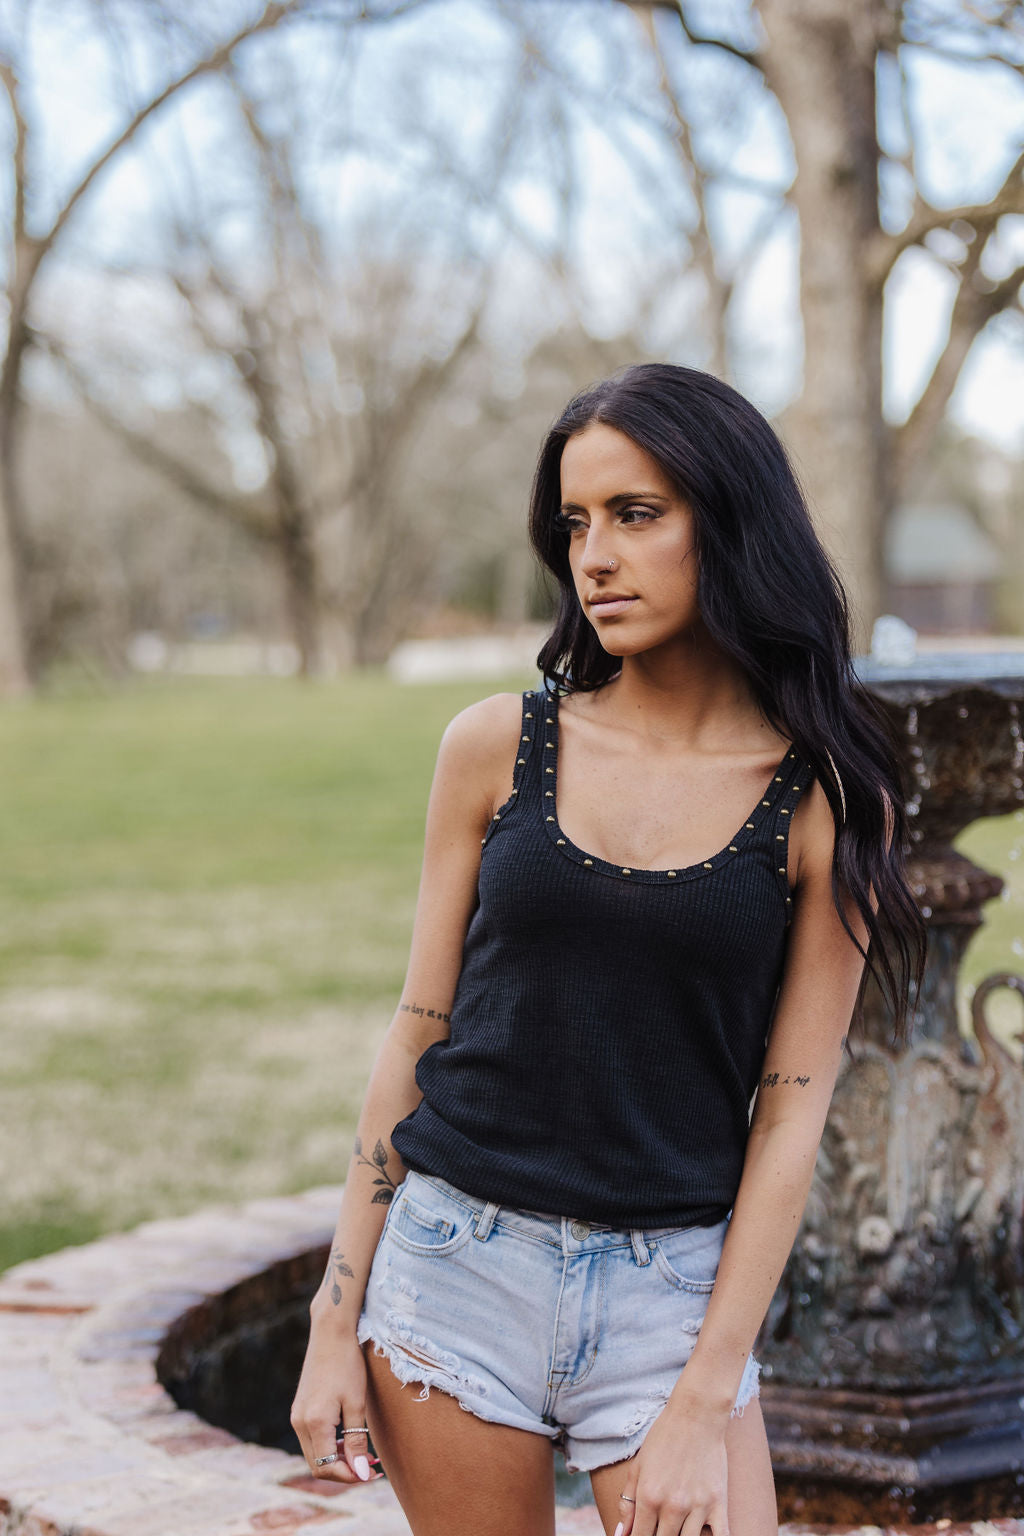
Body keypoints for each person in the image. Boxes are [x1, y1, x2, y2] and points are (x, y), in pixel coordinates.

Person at [289, 363, 927, 1536]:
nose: (594, 557)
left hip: (670, 1296)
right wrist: (335, 1322)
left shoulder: (823, 799)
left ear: (728, 523)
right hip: (455, 1268)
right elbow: (418, 1032)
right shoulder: (495, 747)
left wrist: (704, 1395)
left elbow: (790, 1115)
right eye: (575, 523)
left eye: (637, 515)